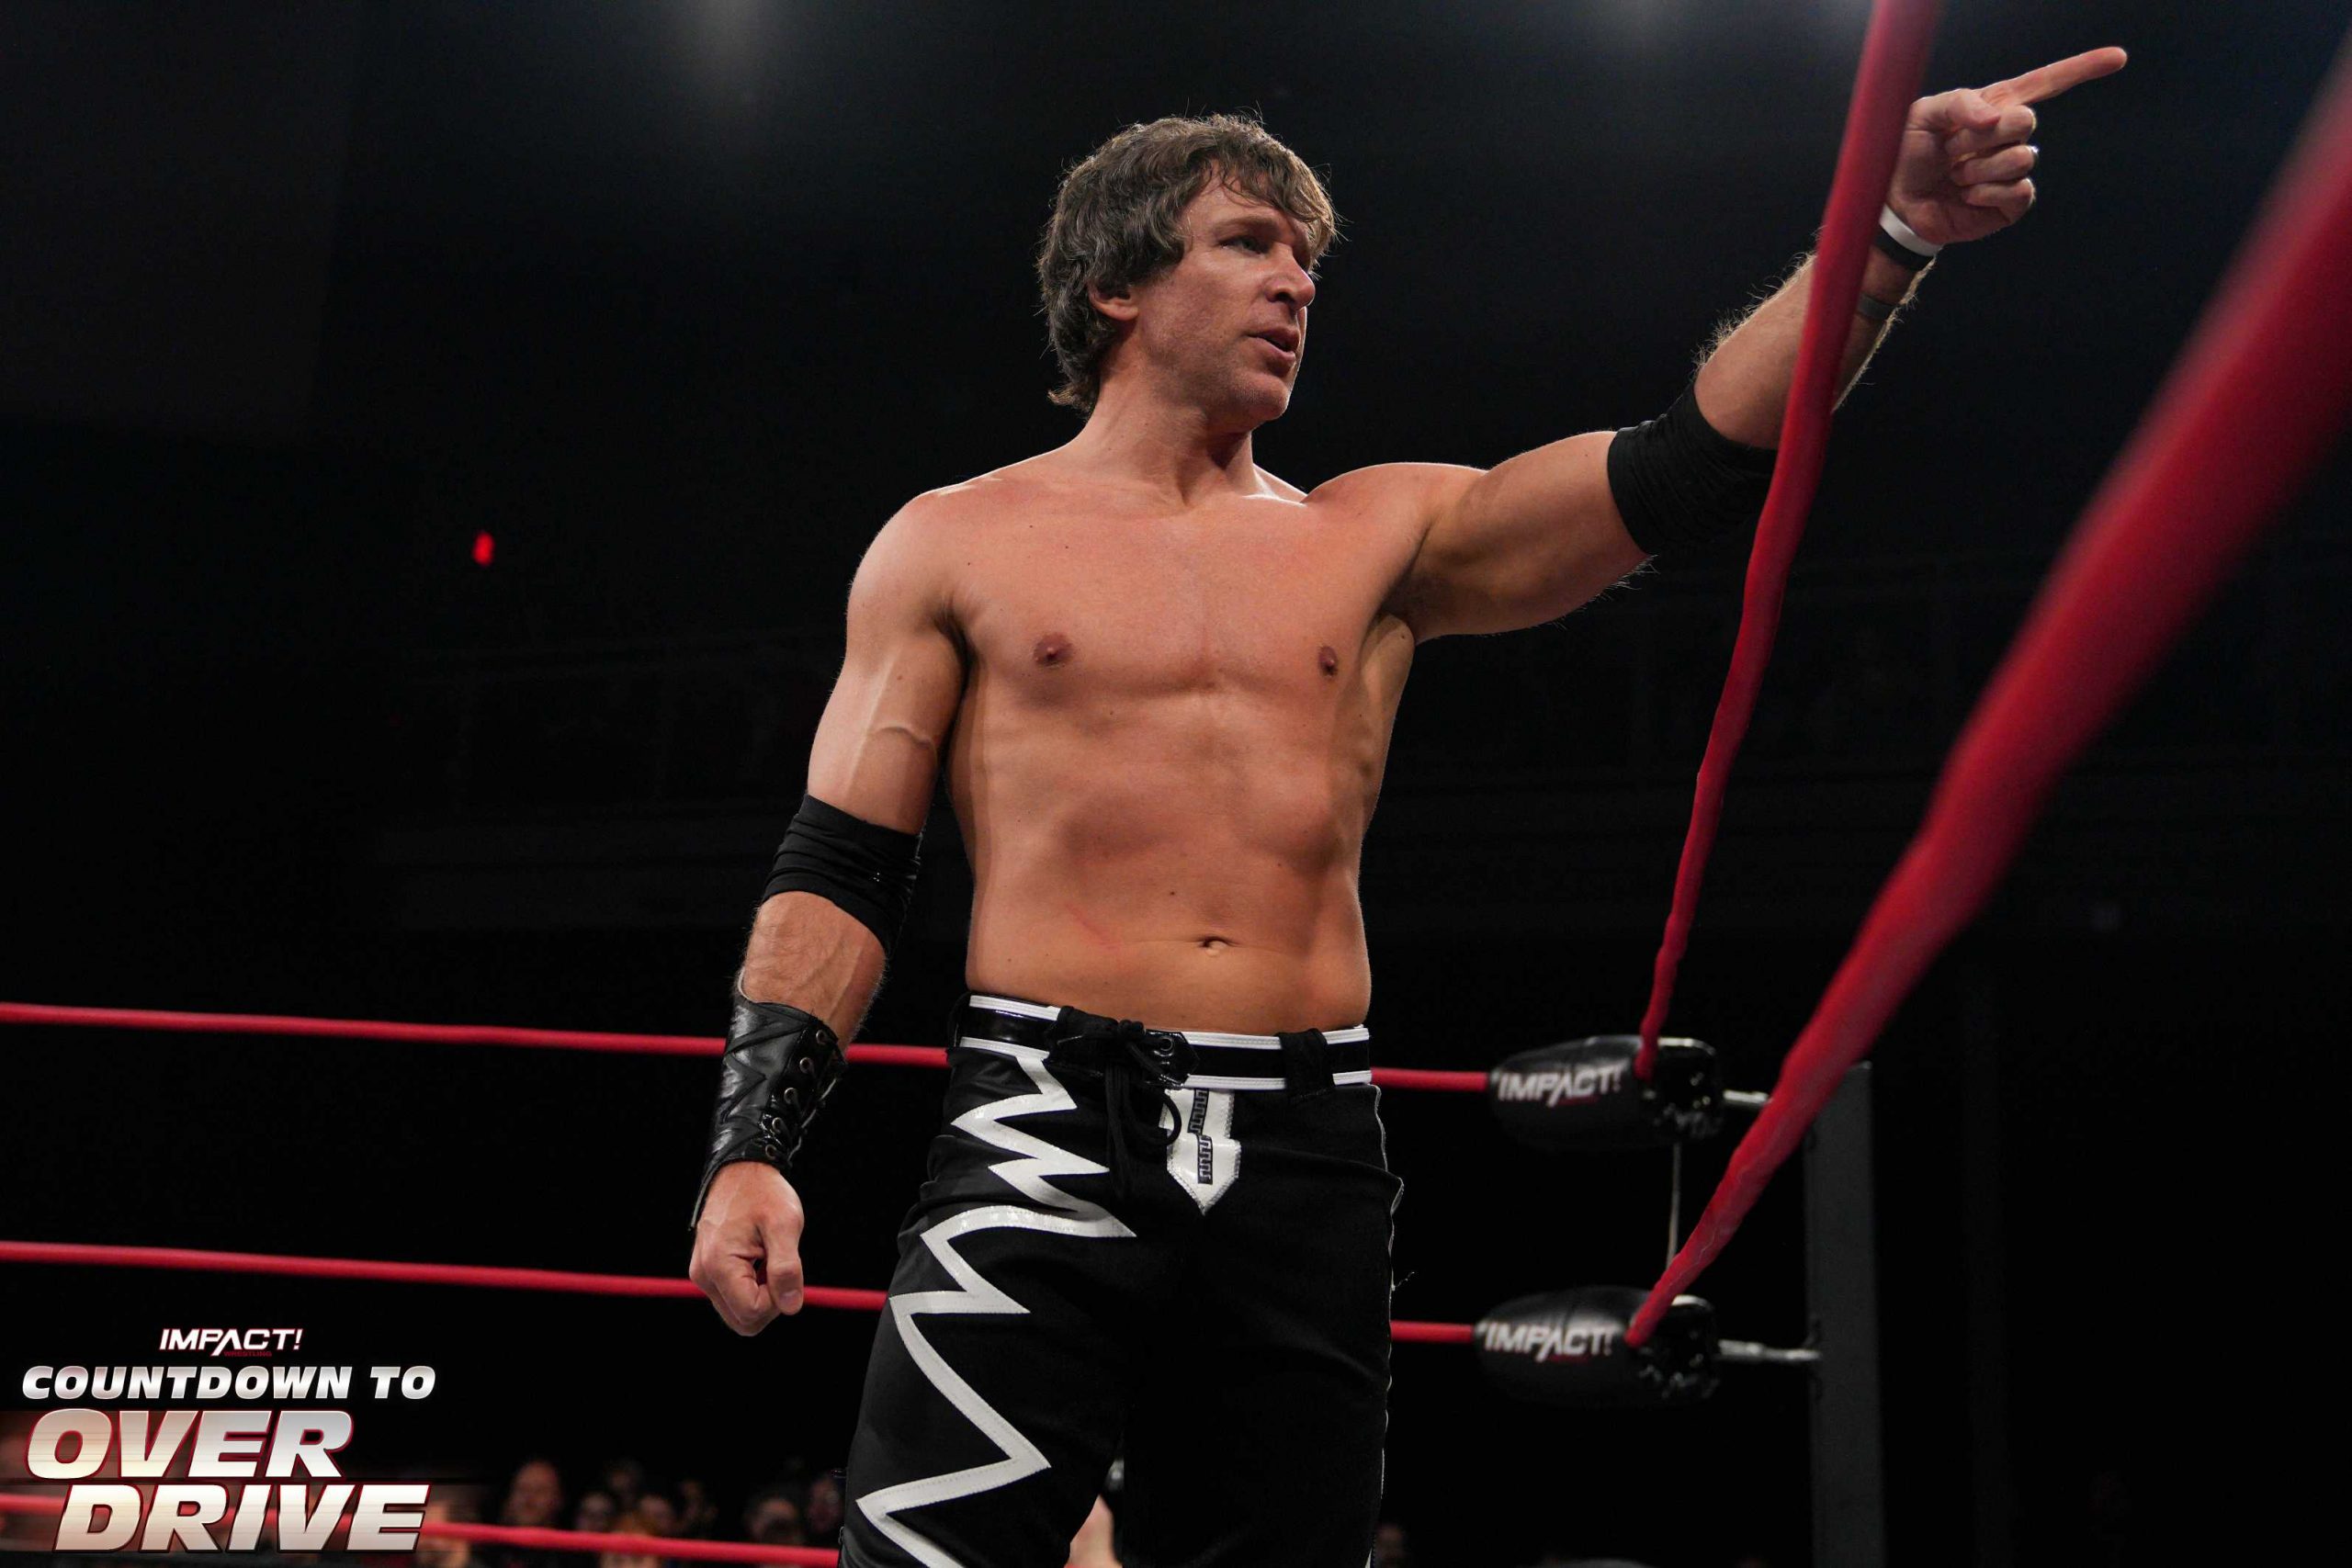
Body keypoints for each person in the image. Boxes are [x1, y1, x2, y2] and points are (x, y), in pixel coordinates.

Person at [689, 49, 2124, 1568]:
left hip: (1307, 1145)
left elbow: (1685, 465)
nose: (1295, 283)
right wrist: (752, 1141)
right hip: (1044, 1124)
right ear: (1116, 285)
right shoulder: (952, 542)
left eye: (1306, 258)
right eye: (1248, 243)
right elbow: (844, 865)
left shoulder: (1380, 535)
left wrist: (1886, 239)